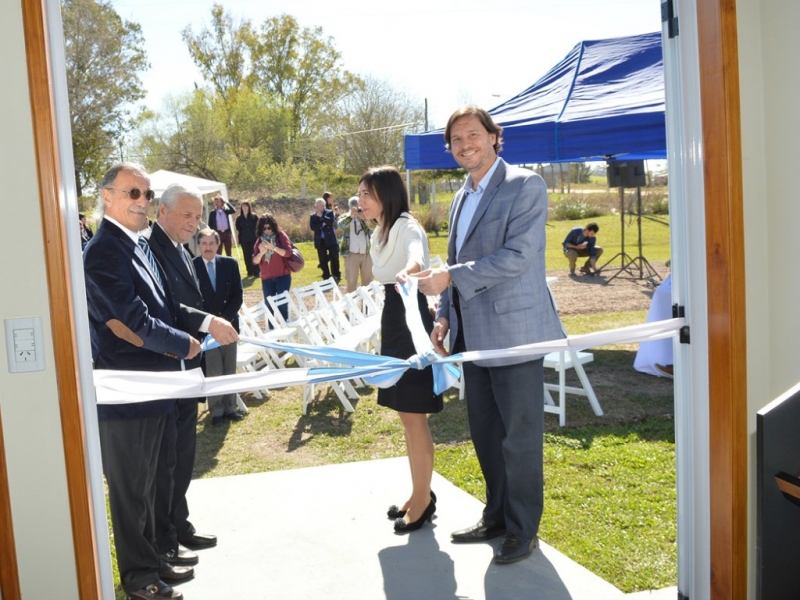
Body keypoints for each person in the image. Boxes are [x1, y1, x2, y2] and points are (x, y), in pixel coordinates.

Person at [415, 106, 564, 564]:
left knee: (519, 438)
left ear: (495, 137)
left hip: (516, 333)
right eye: (456, 140)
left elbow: (518, 256)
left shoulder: (525, 184)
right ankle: (497, 515)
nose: (465, 145)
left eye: (473, 135)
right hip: (473, 340)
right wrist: (444, 317)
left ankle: (523, 530)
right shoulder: (461, 196)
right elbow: (456, 268)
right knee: (484, 432)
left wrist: (450, 278)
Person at [84, 163, 205, 600]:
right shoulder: (103, 251)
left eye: (146, 194)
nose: (142, 201)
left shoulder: (137, 245)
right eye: (132, 192)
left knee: (152, 485)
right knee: (131, 491)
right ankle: (138, 579)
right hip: (127, 393)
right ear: (108, 197)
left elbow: (165, 307)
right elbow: (127, 323)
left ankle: (155, 562)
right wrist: (184, 345)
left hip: (155, 390)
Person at [147, 184, 239, 568]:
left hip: (188, 365)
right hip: (167, 365)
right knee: (167, 460)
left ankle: (179, 525)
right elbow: (167, 305)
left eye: (198, 215)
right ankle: (165, 540)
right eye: (186, 214)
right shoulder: (151, 248)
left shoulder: (179, 247)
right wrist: (207, 321)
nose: (194, 223)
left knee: (183, 454)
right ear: (162, 212)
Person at [358, 166, 442, 533]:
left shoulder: (407, 226)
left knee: (414, 416)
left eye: (366, 194)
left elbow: (416, 257)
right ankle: (418, 492)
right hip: (394, 317)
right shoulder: (381, 230)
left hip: (409, 318)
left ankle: (422, 500)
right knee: (406, 417)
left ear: (386, 195)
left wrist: (410, 271)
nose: (359, 201)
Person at [194, 228, 245, 424]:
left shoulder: (230, 264)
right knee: (213, 370)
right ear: (199, 246)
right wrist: (209, 324)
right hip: (206, 329)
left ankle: (230, 407)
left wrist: (224, 321)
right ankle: (216, 411)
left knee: (229, 368)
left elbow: (237, 295)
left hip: (229, 324)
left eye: (211, 244)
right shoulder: (192, 266)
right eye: (204, 244)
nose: (208, 248)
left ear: (218, 245)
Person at [253, 214, 294, 324]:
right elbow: (255, 261)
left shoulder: (280, 235)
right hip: (267, 278)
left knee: (282, 305)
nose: (266, 230)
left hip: (282, 276)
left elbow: (288, 253)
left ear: (273, 226)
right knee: (269, 306)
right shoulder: (259, 241)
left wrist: (274, 248)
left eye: (269, 227)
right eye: (264, 228)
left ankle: (285, 327)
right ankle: (272, 331)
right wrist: (261, 253)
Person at [337, 196, 374, 292]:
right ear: (350, 207)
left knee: (368, 282)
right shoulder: (345, 216)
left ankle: (366, 306)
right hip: (351, 254)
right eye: (355, 206)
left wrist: (364, 218)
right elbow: (341, 225)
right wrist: (351, 216)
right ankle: (352, 305)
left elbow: (372, 226)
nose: (358, 208)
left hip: (366, 254)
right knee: (351, 281)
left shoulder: (366, 216)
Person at [310, 197, 341, 283]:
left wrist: (322, 217)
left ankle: (336, 275)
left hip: (330, 239)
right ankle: (326, 276)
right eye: (317, 205)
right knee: (322, 259)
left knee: (334, 257)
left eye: (321, 205)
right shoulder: (313, 216)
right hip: (320, 240)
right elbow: (313, 227)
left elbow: (330, 222)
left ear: (324, 206)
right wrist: (321, 223)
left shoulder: (329, 212)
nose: (319, 207)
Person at [235, 201, 259, 277]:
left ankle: (256, 271)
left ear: (249, 207)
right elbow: (238, 228)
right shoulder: (239, 218)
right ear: (241, 208)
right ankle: (249, 271)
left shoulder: (254, 217)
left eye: (246, 206)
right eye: (243, 206)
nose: (245, 208)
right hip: (244, 239)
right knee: (246, 255)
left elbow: (258, 226)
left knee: (254, 254)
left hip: (253, 239)